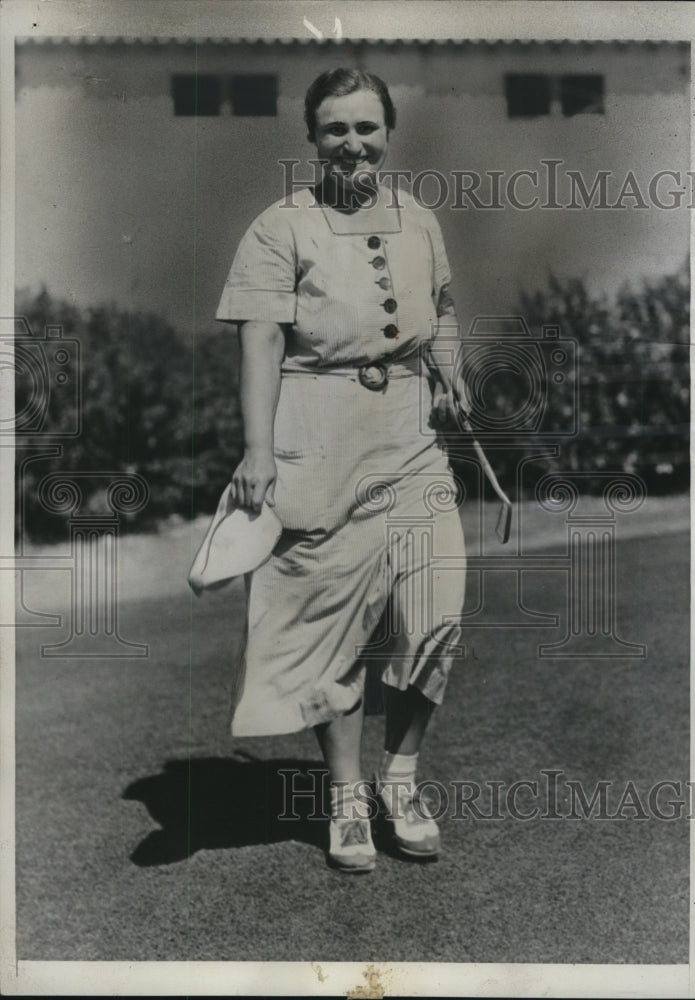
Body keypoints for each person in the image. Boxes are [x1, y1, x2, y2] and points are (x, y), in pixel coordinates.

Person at [215, 67, 467, 873]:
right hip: (315, 436)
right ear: (312, 138)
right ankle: (347, 797)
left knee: (433, 609)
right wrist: (258, 451)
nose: (353, 143)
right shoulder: (278, 226)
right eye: (336, 129)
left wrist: (452, 370)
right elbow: (257, 340)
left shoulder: (420, 220)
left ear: (387, 131)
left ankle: (401, 779)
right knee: (332, 626)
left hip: (409, 435)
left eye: (366, 127)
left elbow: (447, 310)